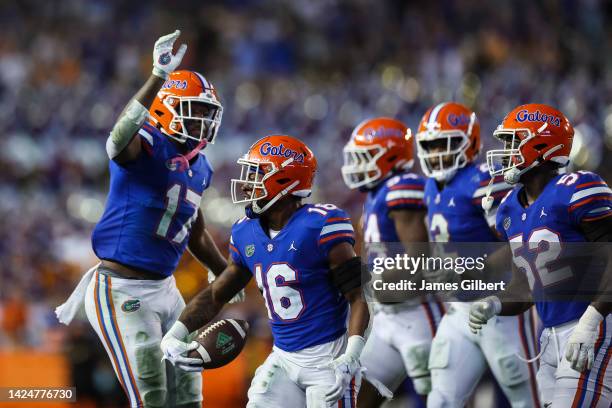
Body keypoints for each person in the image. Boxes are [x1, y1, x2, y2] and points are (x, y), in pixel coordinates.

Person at [56, 30, 239, 408]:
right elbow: (117, 140)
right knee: (152, 395)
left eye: (207, 113)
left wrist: (224, 272)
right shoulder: (146, 145)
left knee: (188, 395)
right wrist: (157, 76)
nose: (203, 120)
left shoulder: (199, 165)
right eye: (195, 110)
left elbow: (193, 226)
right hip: (120, 288)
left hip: (165, 289)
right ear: (165, 108)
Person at [160, 135, 385, 407]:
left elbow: (359, 296)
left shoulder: (321, 225)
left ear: (284, 180)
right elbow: (218, 293)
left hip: (328, 360)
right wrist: (177, 332)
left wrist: (351, 354)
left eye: (255, 174)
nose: (246, 185)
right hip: (283, 357)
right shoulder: (245, 232)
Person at [469, 103, 611, 407]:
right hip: (548, 339)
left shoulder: (576, 189)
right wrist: (494, 304)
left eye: (512, 142)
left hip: (593, 325)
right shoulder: (508, 208)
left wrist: (591, 320)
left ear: (541, 145)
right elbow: (526, 287)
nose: (505, 152)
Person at [415, 101, 540, 407]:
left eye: (445, 145)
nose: (436, 154)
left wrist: (474, 269)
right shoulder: (431, 187)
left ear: (468, 143)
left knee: (526, 399)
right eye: (430, 146)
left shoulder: (484, 181)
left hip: (498, 307)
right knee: (441, 400)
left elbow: (518, 246)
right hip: (457, 310)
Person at [341, 117, 444, 406]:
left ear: (389, 156)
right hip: (389, 318)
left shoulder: (402, 186)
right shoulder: (376, 194)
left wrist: (376, 286)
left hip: (420, 314)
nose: (357, 164)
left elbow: (421, 260)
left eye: (365, 157)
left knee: (440, 398)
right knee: (355, 398)